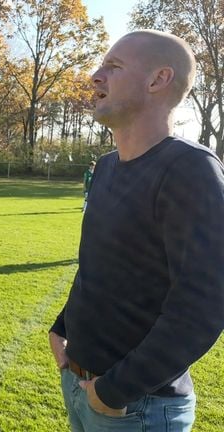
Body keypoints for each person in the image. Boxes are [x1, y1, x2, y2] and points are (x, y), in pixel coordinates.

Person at [49, 30, 224, 432]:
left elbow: (203, 307)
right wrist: (62, 327)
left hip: (136, 408)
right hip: (80, 384)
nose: (96, 75)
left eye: (113, 66)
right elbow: (98, 265)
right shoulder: (108, 166)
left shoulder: (190, 169)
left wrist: (113, 392)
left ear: (158, 80)